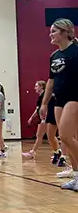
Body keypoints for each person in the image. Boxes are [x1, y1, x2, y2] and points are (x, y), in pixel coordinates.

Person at [39, 18, 78, 191]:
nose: (50, 34)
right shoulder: (54, 56)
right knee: (67, 141)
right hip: (59, 100)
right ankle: (77, 177)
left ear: (64, 32)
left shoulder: (76, 51)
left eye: (54, 31)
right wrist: (44, 103)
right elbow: (51, 81)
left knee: (66, 136)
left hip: (75, 97)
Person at [22, 81, 61, 162]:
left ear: (41, 87)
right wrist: (31, 118)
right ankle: (58, 152)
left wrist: (44, 118)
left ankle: (32, 152)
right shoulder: (41, 96)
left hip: (47, 118)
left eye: (36, 86)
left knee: (40, 135)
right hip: (45, 118)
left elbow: (47, 107)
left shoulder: (45, 95)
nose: (35, 88)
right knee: (50, 136)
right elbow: (38, 109)